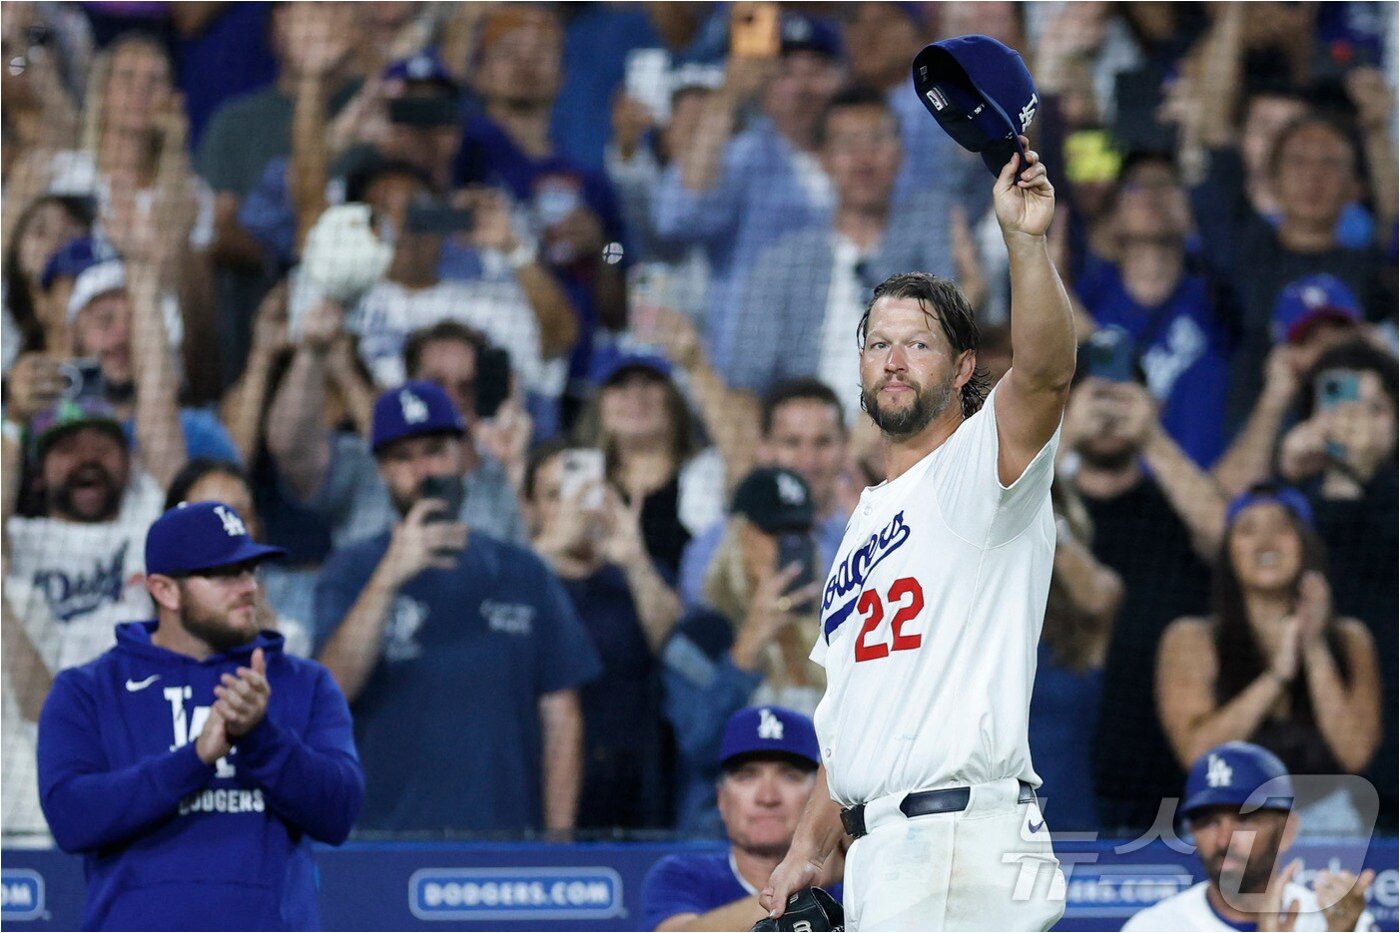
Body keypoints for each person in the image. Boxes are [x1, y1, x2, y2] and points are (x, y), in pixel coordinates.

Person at [762, 37, 1075, 922]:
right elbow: (853, 713)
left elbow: (1046, 374)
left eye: (919, 343)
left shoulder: (981, 467)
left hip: (959, 841)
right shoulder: (863, 520)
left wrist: (1024, 243)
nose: (894, 359)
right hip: (888, 854)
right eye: (878, 343)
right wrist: (808, 844)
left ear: (964, 366)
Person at [36, 500, 363, 930]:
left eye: (250, 570)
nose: (248, 587)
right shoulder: (88, 690)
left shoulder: (303, 683)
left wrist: (262, 737)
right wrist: (193, 760)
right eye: (224, 574)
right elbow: (71, 819)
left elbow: (339, 813)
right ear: (165, 590)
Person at [313, 382, 601, 834]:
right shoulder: (351, 571)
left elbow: (561, 715)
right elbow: (330, 692)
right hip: (383, 845)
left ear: (463, 456)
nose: (422, 471)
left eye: (434, 451)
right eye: (402, 458)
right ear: (382, 471)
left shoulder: (522, 571)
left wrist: (558, 842)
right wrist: (388, 578)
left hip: (505, 843)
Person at [1156, 484, 1381, 832]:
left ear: (1306, 544)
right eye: (1247, 531)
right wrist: (1276, 676)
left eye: (1281, 528)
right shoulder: (1191, 638)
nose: (1265, 543)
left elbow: (1355, 754)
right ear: (1228, 551)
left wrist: (1314, 646)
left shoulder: (1350, 638)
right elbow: (1197, 755)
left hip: (1329, 822)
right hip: (1228, 822)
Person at [722, 85, 956, 398]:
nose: (864, 158)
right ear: (823, 159)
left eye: (877, 140)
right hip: (808, 423)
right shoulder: (783, 264)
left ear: (900, 154)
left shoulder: (932, 251)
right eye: (848, 144)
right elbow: (746, 378)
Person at [651, 12, 845, 375]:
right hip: (754, 370)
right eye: (786, 72)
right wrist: (728, 96)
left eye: (817, 70)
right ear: (763, 83)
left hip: (845, 356)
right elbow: (676, 216)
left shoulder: (869, 157)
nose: (802, 87)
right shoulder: (744, 157)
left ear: (842, 78)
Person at [265, 301, 526, 548]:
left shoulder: (502, 470)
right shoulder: (365, 461)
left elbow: (532, 568)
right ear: (409, 383)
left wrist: (513, 472)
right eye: (436, 385)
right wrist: (312, 352)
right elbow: (291, 448)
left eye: (466, 387)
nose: (452, 399)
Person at [525, 440, 681, 830]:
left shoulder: (634, 573)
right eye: (555, 496)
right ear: (529, 508)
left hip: (633, 787)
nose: (573, 507)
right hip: (540, 781)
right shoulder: (521, 579)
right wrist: (549, 548)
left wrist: (635, 560)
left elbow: (674, 646)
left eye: (584, 493)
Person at [663, 467, 825, 835]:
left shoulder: (834, 633)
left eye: (800, 533)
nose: (790, 547)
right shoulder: (700, 638)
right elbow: (699, 745)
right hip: (722, 838)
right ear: (742, 538)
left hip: (821, 839)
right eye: (775, 533)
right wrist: (746, 651)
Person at [1121, 741, 1375, 932]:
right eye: (1209, 822)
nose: (1223, 840)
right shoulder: (1154, 928)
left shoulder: (1336, 923)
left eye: (1244, 819)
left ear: (1286, 831)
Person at [642, 706, 842, 932]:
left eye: (790, 776)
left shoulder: (854, 878)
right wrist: (798, 885)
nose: (767, 797)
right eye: (747, 776)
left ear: (818, 795)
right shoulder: (683, 875)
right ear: (721, 799)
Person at [4, 399, 165, 674]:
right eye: (68, 450)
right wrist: (13, 422)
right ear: (38, 473)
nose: (88, 459)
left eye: (102, 448)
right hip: (36, 690)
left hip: (136, 688)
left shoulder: (149, 523)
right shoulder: (19, 538)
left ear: (129, 463)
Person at [678, 379, 852, 611]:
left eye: (823, 442)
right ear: (764, 447)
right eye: (792, 442)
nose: (809, 459)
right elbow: (700, 621)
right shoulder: (719, 543)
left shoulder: (870, 534)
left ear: (845, 444)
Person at [572, 348, 726, 578]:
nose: (636, 395)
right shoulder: (579, 474)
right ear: (600, 404)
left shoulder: (707, 473)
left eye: (649, 382)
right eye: (620, 385)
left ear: (673, 398)